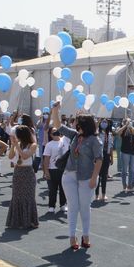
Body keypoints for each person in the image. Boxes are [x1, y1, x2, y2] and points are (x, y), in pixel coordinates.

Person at [51, 103, 102, 250]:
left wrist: (94, 178)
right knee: (73, 207)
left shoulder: (94, 140)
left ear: (85, 126)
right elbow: (59, 126)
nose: (76, 125)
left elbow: (99, 159)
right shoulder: (74, 135)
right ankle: (72, 237)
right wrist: (55, 111)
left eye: (78, 124)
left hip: (87, 177)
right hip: (69, 175)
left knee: (85, 207)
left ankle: (86, 235)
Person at [6, 125, 39, 229]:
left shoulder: (32, 145)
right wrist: (13, 145)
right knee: (17, 196)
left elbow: (25, 156)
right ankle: (17, 221)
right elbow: (10, 157)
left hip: (28, 171)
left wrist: (17, 146)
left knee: (28, 196)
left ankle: (30, 221)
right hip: (18, 171)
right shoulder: (17, 144)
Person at [42, 128, 68, 214]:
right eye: (53, 132)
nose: (56, 133)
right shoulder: (49, 145)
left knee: (63, 188)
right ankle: (51, 206)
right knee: (52, 189)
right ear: (51, 135)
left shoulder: (65, 141)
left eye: (57, 131)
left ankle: (63, 205)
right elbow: (46, 159)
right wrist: (46, 171)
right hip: (52, 169)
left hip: (63, 169)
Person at [95, 118, 114, 201]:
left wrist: (112, 158)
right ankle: (96, 195)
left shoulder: (109, 134)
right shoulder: (98, 133)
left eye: (106, 122)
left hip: (106, 155)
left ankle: (103, 194)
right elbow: (94, 131)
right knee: (97, 175)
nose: (104, 123)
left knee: (104, 175)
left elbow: (111, 147)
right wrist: (97, 122)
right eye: (103, 122)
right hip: (99, 155)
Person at [117, 119, 134, 192]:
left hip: (133, 152)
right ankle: (124, 185)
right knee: (124, 169)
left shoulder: (133, 130)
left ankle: (130, 185)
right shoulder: (123, 130)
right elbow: (118, 133)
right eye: (128, 122)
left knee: (132, 169)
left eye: (130, 122)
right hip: (125, 152)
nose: (130, 123)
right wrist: (125, 125)